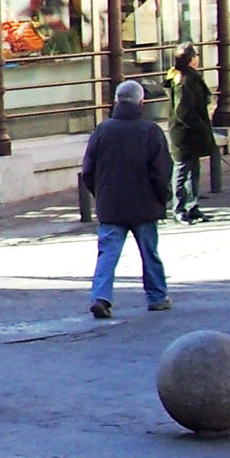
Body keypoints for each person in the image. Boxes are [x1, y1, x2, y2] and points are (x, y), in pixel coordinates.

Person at [79, 80, 172, 319]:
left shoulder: (103, 130)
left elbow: (87, 170)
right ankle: (157, 296)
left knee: (107, 253)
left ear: (117, 101)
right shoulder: (151, 131)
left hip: (111, 204)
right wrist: (163, 198)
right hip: (145, 204)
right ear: (142, 102)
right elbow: (161, 172)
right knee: (149, 252)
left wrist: (100, 195)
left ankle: (101, 297)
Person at [167, 44, 215, 224]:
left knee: (194, 170)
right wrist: (199, 126)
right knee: (181, 171)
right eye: (195, 55)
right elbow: (183, 111)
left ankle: (192, 206)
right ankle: (178, 209)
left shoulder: (192, 77)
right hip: (184, 134)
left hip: (193, 133)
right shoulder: (183, 80)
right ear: (190, 59)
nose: (198, 58)